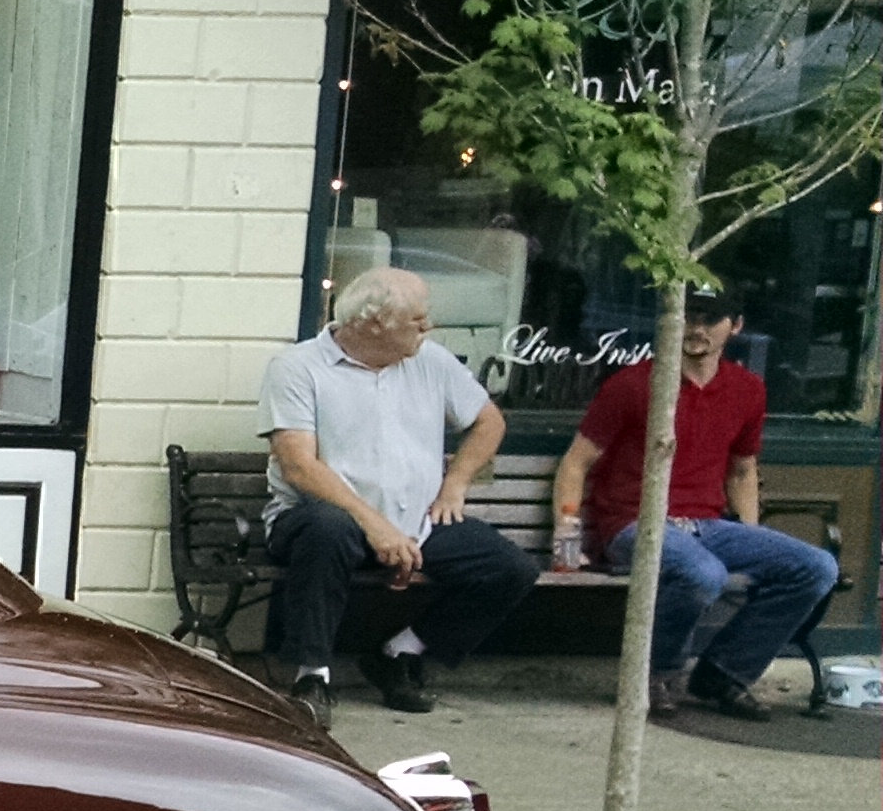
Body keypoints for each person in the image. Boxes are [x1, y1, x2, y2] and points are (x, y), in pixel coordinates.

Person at [255, 267, 537, 722]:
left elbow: (490, 422)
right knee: (327, 530)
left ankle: (398, 653)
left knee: (510, 569)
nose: (429, 328)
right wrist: (374, 523)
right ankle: (311, 676)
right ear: (373, 321)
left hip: (416, 522)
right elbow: (298, 465)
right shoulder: (297, 367)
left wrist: (455, 484)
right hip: (322, 516)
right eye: (417, 320)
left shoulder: (434, 362)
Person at [548, 294, 837, 721]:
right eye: (688, 317)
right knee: (703, 573)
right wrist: (567, 537)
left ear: (735, 326)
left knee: (817, 567)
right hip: (633, 523)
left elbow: (741, 472)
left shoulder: (747, 389)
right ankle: (657, 674)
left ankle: (724, 674)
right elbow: (576, 461)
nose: (697, 329)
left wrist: (751, 535)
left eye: (711, 319)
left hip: (708, 524)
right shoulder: (633, 384)